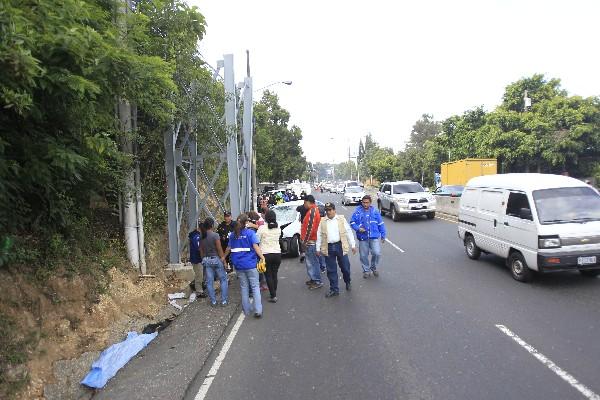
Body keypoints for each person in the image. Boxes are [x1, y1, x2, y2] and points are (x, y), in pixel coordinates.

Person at [223, 214, 266, 318]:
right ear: (246, 222)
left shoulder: (232, 235)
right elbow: (256, 247)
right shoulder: (250, 233)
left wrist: (223, 257)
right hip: (251, 265)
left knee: (244, 287)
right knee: (255, 287)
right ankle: (258, 310)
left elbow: (228, 248)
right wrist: (262, 258)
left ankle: (246, 310)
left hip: (239, 266)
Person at [316, 202, 357, 297]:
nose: (328, 212)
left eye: (330, 210)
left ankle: (348, 281)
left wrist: (353, 245)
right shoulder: (322, 221)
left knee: (345, 267)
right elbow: (319, 235)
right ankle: (334, 289)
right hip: (328, 247)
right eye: (326, 210)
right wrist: (318, 248)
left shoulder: (341, 219)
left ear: (334, 210)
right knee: (331, 270)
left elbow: (348, 232)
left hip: (340, 246)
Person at [350, 195, 386, 278]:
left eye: (367, 203)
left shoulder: (375, 212)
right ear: (362, 202)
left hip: (374, 237)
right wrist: (358, 228)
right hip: (363, 238)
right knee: (363, 255)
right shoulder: (357, 212)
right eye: (364, 202)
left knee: (377, 253)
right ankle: (366, 270)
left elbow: (381, 224)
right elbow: (352, 223)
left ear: (370, 203)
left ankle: (373, 267)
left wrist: (383, 235)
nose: (365, 204)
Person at [200, 218, 228, 306]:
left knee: (209, 282)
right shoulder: (215, 235)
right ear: (212, 225)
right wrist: (223, 259)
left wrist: (203, 259)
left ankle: (213, 301)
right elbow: (219, 248)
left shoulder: (201, 236)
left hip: (206, 260)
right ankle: (223, 301)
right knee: (223, 279)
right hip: (216, 259)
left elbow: (200, 250)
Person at [257, 210, 282, 303]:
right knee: (275, 274)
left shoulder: (262, 228)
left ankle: (273, 295)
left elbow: (256, 239)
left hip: (265, 254)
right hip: (277, 254)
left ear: (266, 218)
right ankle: (274, 292)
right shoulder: (278, 228)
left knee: (268, 275)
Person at [301, 195, 323, 289]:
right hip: (310, 241)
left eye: (304, 202)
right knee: (311, 262)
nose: (304, 205)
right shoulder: (312, 211)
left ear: (308, 202)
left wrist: (305, 241)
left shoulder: (312, 211)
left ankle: (317, 280)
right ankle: (313, 278)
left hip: (311, 241)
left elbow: (310, 228)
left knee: (312, 262)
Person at [188, 223, 207, 298]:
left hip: (196, 258)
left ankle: (197, 286)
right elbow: (198, 248)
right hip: (197, 259)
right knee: (199, 275)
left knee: (199, 275)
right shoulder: (197, 237)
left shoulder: (194, 235)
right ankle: (199, 291)